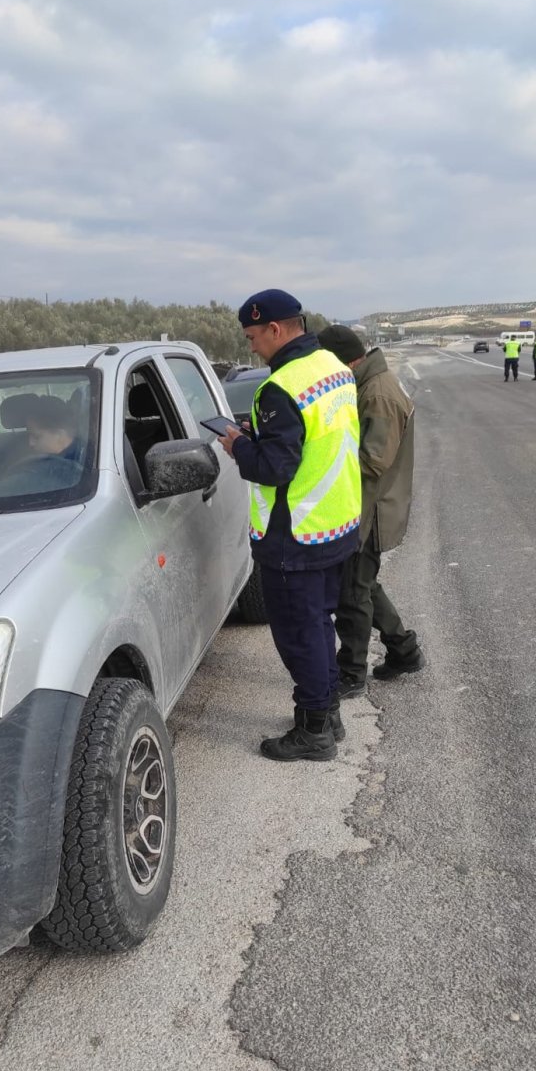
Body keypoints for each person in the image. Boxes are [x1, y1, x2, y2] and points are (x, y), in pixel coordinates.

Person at [218, 290, 361, 763]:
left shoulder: (280, 387)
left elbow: (275, 468)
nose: (252, 348)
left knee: (300, 635)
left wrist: (238, 445)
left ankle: (314, 731)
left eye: (253, 337)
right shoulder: (334, 367)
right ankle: (329, 712)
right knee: (319, 626)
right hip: (335, 524)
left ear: (275, 330)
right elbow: (317, 442)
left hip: (294, 536)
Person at [317, 325, 425, 695]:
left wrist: (319, 458)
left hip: (371, 514)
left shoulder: (377, 394)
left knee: (353, 595)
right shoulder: (367, 385)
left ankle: (351, 674)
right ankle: (403, 649)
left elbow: (373, 461)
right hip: (366, 508)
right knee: (364, 586)